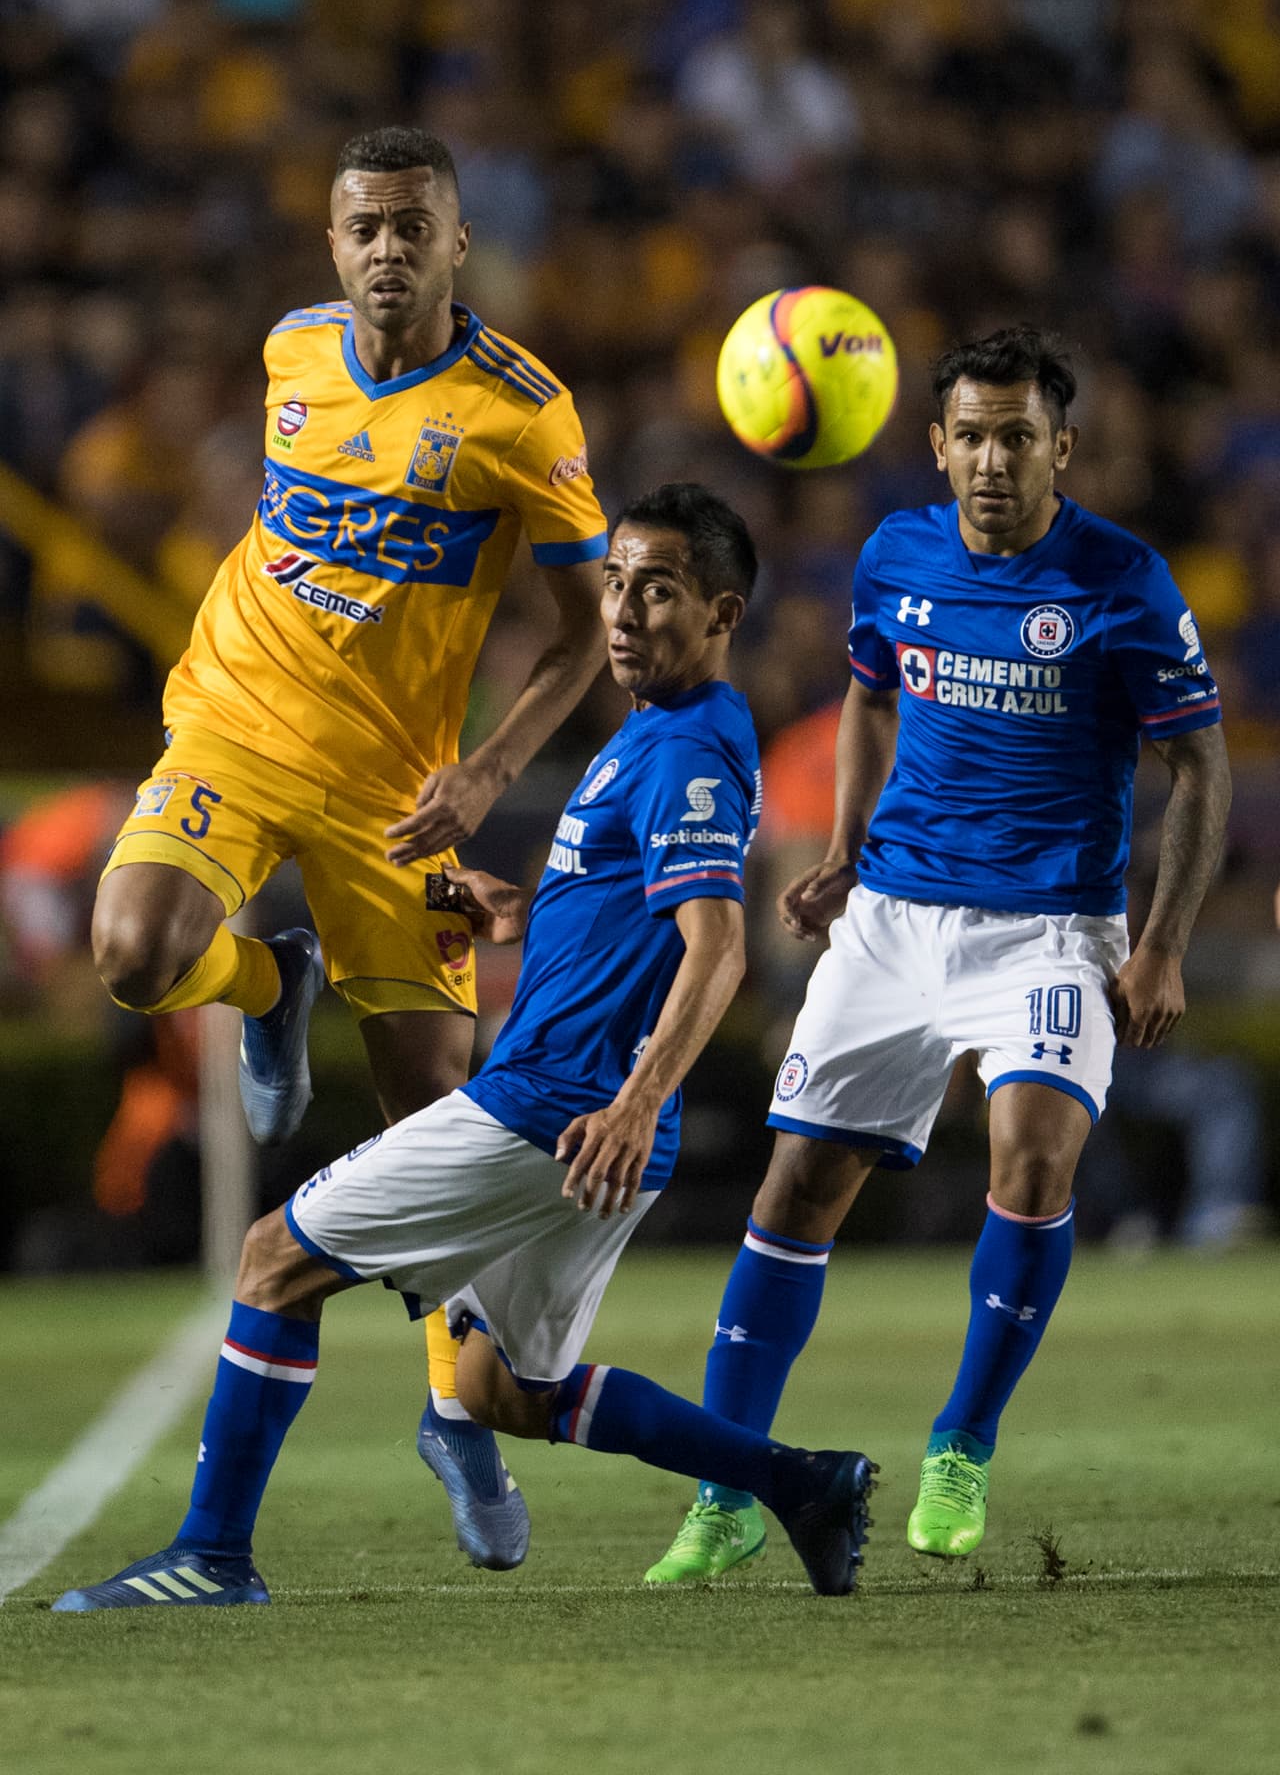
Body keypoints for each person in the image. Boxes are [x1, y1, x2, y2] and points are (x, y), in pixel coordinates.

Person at [53, 485, 878, 1611]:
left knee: (270, 1262)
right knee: (499, 1388)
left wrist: (632, 1101)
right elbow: (629, 921)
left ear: (723, 614)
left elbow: (717, 947)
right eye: (617, 584)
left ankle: (213, 1556)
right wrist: (519, 914)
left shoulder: (687, 748)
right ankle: (801, 1484)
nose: (625, 611)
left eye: (661, 590)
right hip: (594, 1125)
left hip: (556, 1113)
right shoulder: (652, 735)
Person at [88, 125, 610, 1569]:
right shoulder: (291, 357)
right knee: (132, 955)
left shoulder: (524, 414)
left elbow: (583, 641)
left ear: (459, 244)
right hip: (236, 729)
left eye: (413, 226)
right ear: (333, 245)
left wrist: (488, 770)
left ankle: (453, 1407)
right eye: (364, 226)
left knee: (426, 1131)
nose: (387, 249)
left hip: (399, 795)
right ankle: (272, 985)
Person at [646, 326, 1231, 1583]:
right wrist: (845, 849)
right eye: (969, 434)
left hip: (1051, 929)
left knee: (1030, 1161)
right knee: (793, 1194)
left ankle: (961, 1439)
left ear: (1059, 449)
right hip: (895, 916)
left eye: (1016, 436)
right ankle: (728, 1483)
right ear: (935, 443)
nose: (990, 459)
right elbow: (866, 695)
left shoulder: (1123, 581)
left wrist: (1163, 945)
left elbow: (1200, 767)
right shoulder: (892, 554)